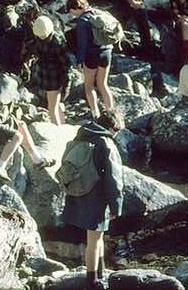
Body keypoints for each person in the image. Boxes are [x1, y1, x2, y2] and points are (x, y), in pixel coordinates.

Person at [61, 107, 125, 290]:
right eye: (118, 130)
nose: (117, 134)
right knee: (94, 240)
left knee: (98, 236)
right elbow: (114, 179)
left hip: (80, 191)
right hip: (97, 196)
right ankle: (92, 281)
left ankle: (101, 271)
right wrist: (116, 207)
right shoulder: (106, 143)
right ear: (112, 126)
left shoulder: (81, 135)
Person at [67, 0, 114, 119]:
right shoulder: (98, 12)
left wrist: (79, 61)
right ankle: (111, 113)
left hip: (92, 55)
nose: (71, 14)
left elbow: (82, 44)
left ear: (75, 8)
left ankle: (96, 115)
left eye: (71, 11)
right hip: (107, 52)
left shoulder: (82, 21)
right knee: (103, 84)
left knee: (89, 86)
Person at [21, 15, 70, 125]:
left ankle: (57, 130)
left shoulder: (38, 40)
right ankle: (62, 125)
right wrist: (67, 80)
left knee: (51, 108)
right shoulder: (57, 40)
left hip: (51, 77)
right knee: (55, 104)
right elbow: (66, 63)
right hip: (56, 76)